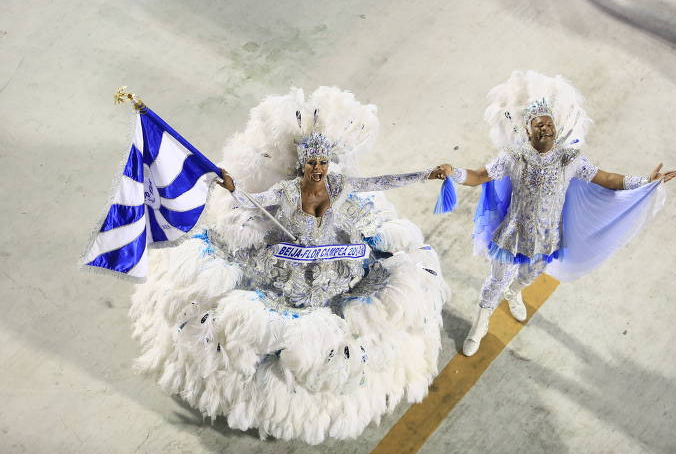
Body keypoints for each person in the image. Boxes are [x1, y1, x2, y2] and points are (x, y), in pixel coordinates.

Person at [129, 87, 449, 444]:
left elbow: (380, 182)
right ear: (302, 165)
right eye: (311, 163)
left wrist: (426, 175)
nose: (317, 169)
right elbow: (254, 203)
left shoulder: (339, 185)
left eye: (322, 164)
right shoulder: (285, 193)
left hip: (337, 266)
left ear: (328, 165)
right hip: (285, 270)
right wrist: (232, 188)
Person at [432, 71, 676, 357]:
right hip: (513, 234)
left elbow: (608, 179)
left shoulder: (570, 159)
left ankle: (515, 292)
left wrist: (644, 181)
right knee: (495, 281)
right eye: (539, 125)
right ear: (528, 131)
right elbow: (478, 176)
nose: (546, 128)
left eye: (549, 123)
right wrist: (453, 172)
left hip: (546, 237)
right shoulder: (514, 156)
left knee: (531, 275)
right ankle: (480, 323)